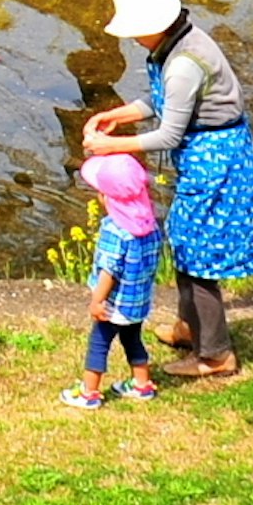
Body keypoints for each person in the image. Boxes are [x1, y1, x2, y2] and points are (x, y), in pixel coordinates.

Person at [83, 0, 253, 378]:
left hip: (215, 162)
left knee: (199, 253)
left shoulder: (184, 62)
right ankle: (190, 327)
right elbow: (162, 100)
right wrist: (119, 114)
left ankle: (215, 354)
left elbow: (169, 132)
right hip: (206, 155)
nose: (132, 40)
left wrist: (110, 147)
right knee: (184, 240)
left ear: (155, 25)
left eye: (135, 31)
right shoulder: (180, 41)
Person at [63, 152, 165, 408]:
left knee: (98, 344)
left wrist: (98, 301)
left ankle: (89, 392)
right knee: (133, 340)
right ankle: (141, 385)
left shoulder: (114, 229)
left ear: (106, 196)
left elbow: (109, 270)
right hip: (138, 302)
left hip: (113, 304)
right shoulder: (150, 224)